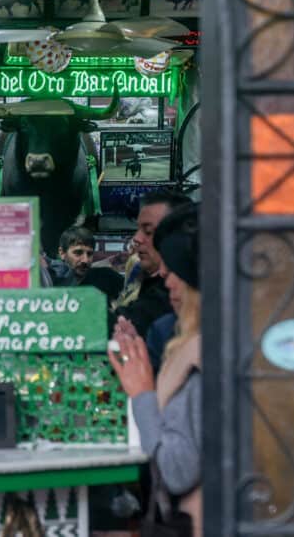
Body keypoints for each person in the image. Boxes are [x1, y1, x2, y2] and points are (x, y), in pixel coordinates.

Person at [109, 203, 203, 536]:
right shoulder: (183, 339)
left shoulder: (202, 358)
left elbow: (177, 470)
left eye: (175, 268)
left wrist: (142, 392)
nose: (165, 276)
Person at [112, 189, 194, 341]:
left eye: (148, 231)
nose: (136, 238)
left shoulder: (165, 299)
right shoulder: (141, 279)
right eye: (138, 229)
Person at [48, 226, 124, 304]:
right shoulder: (51, 282)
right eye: (78, 253)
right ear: (62, 253)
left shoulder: (107, 277)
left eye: (89, 254)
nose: (85, 260)